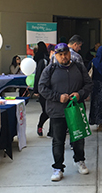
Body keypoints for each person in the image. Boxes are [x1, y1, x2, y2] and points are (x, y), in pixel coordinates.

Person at [38, 43, 93, 180]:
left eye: (65, 54)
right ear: (55, 56)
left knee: (79, 138)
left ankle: (79, 161)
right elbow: (42, 88)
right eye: (60, 54)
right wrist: (58, 97)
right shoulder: (50, 69)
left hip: (75, 109)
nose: (63, 57)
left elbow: (89, 84)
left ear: (70, 53)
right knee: (58, 140)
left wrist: (80, 94)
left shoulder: (79, 67)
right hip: (57, 111)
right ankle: (57, 167)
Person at [33, 43, 50, 137]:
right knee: (46, 111)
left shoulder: (49, 60)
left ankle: (52, 130)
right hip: (43, 90)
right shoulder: (43, 61)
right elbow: (38, 76)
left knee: (51, 111)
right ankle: (40, 126)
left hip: (50, 90)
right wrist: (36, 90)